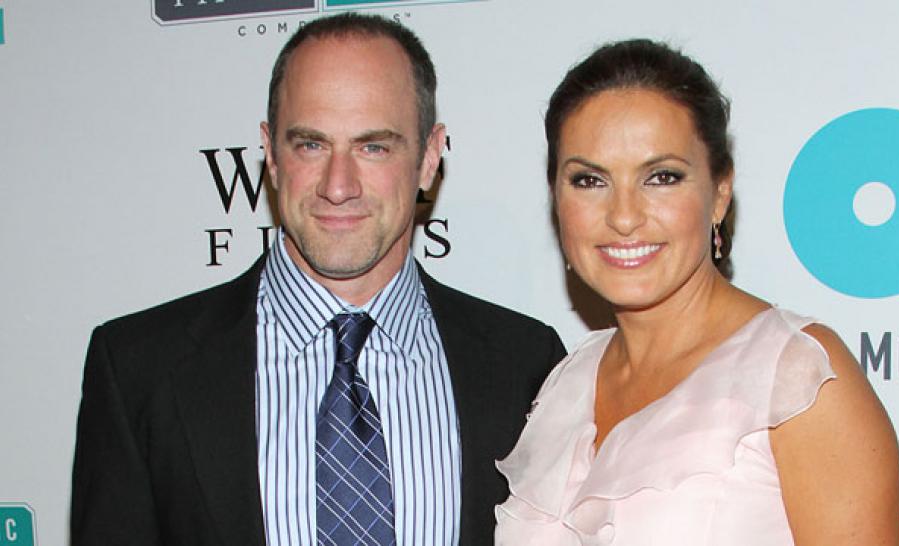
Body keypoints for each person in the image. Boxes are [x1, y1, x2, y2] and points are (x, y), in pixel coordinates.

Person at [71, 13, 565, 546]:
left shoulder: (525, 365)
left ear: (428, 157)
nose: (338, 185)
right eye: (310, 145)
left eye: (373, 147)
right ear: (271, 154)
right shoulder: (140, 369)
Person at [495, 39, 899, 545]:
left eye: (661, 177)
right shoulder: (566, 382)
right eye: (590, 180)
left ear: (720, 194)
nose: (624, 216)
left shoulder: (798, 379)